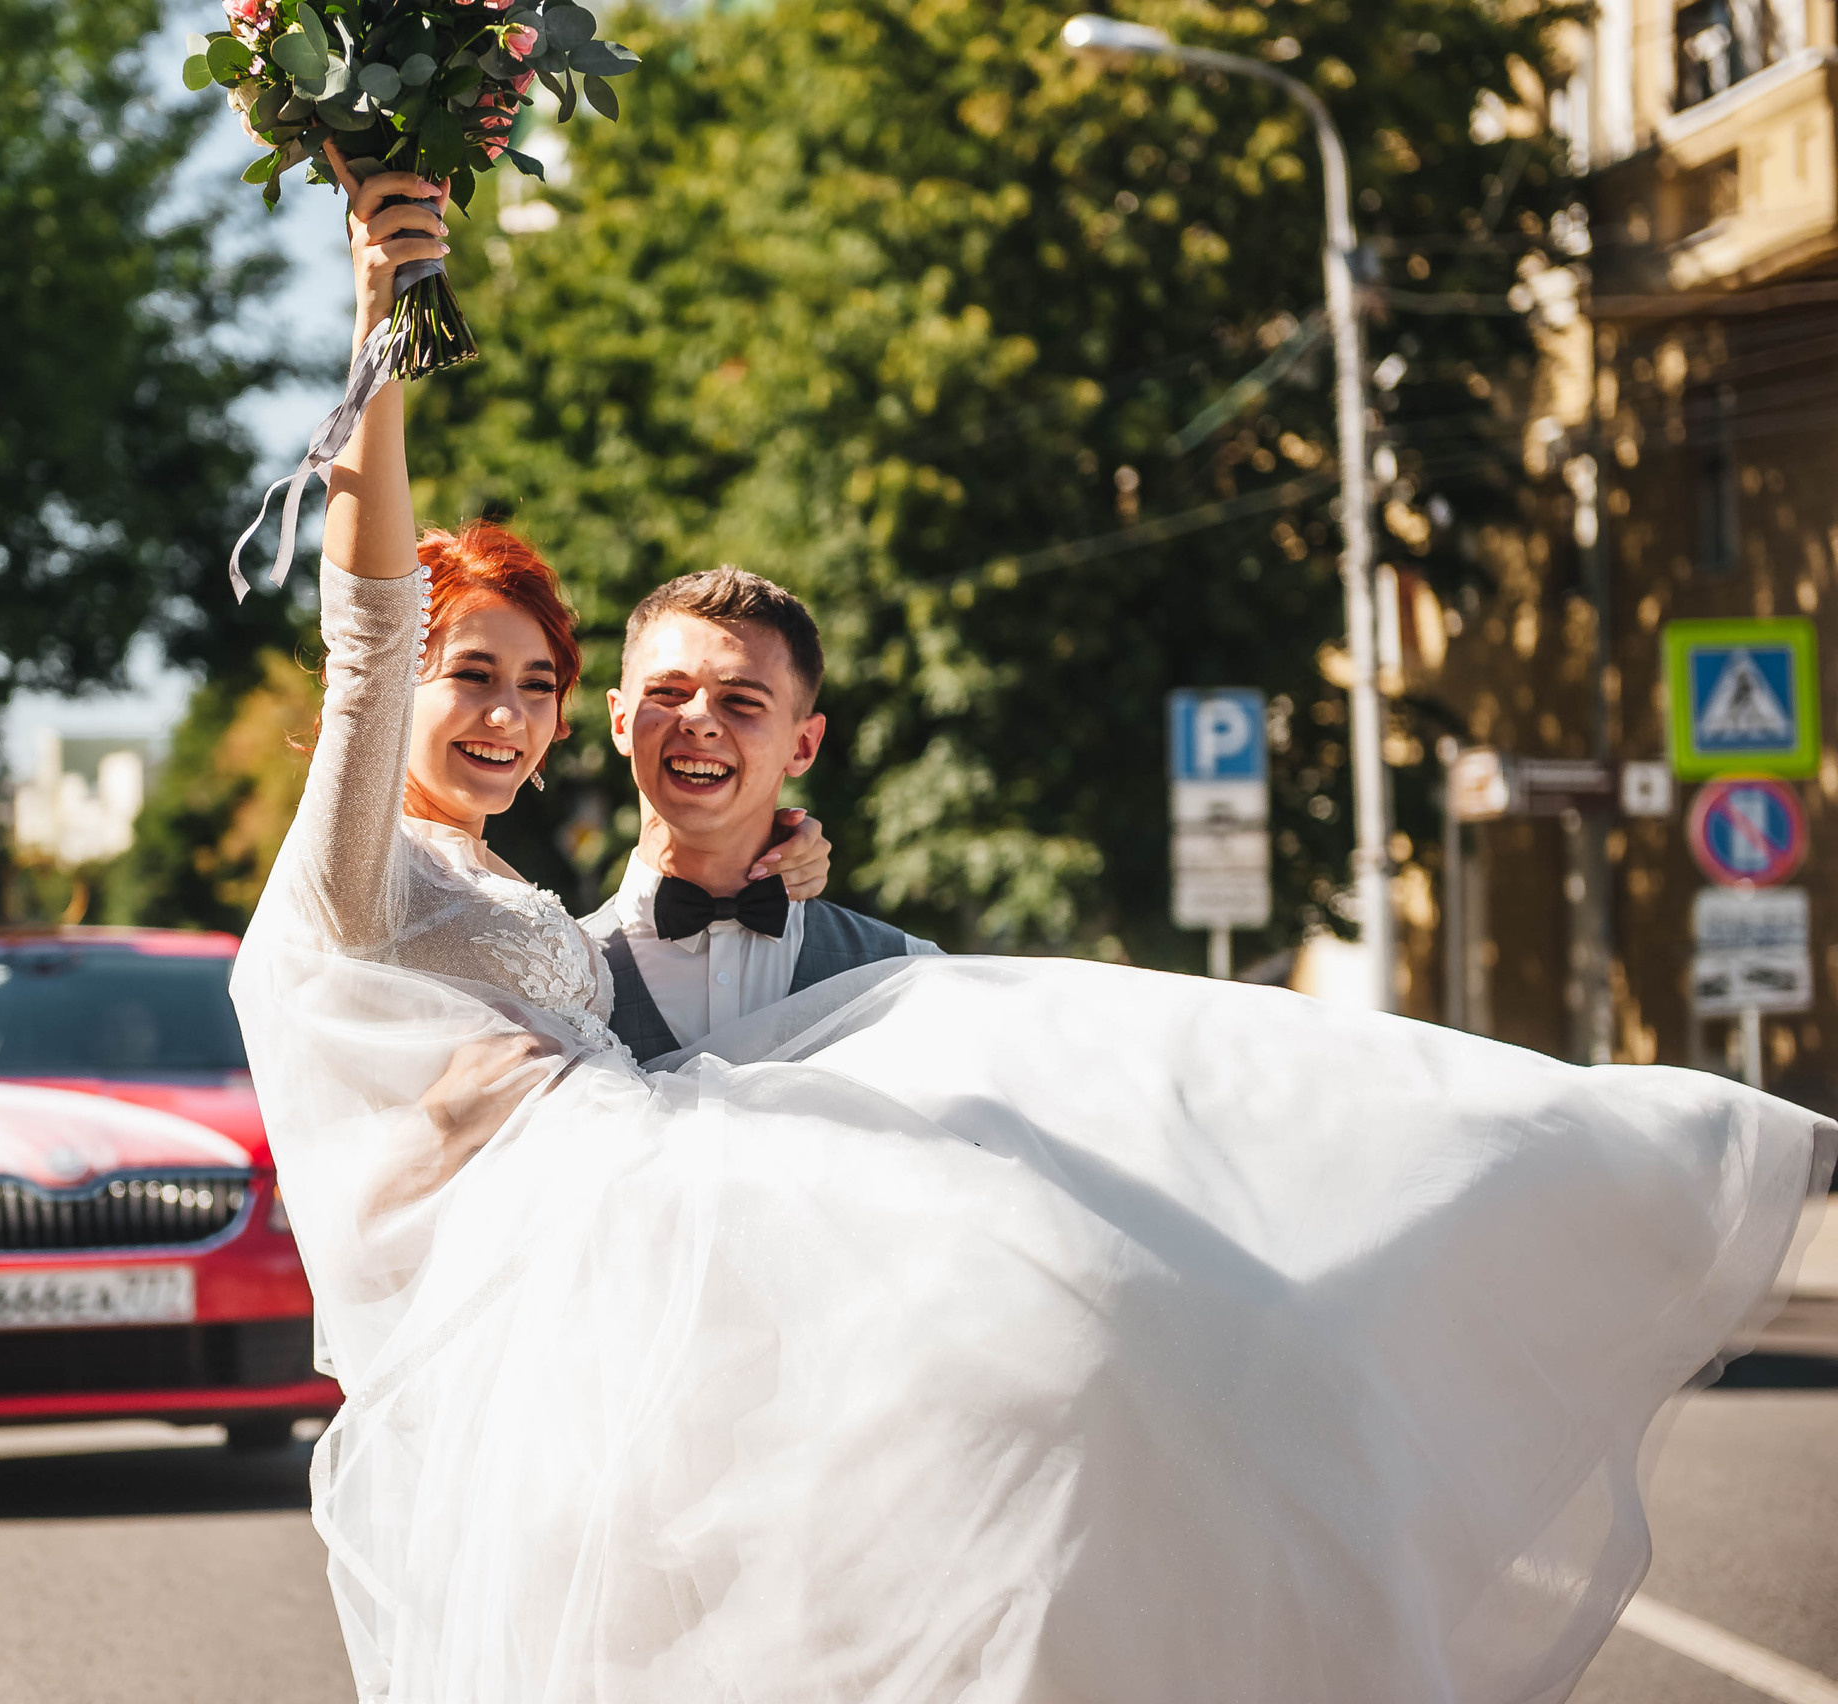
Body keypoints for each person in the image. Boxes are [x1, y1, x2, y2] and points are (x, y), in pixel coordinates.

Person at [226, 143, 1834, 1704]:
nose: (505, 716)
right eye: (470, 676)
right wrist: (384, 324)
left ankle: (1628, 1155)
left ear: (792, 742)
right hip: (605, 1400)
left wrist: (789, 876)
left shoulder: (561, 910)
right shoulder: (362, 877)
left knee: (1157, 1122)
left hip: (790, 1410)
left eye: (533, 684)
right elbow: (368, 645)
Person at [581, 566, 940, 1063]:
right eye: (668, 692)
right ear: (621, 721)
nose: (701, 721)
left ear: (804, 743)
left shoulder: (911, 977)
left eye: (741, 701)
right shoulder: (542, 982)